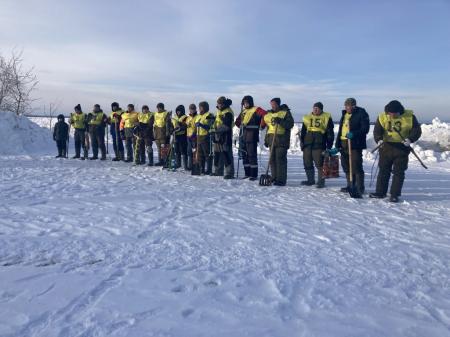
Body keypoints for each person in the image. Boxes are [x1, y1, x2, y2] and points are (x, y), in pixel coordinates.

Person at [370, 100, 422, 202]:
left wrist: (410, 139)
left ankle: (394, 194)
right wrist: (379, 139)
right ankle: (380, 192)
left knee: (398, 172)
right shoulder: (382, 116)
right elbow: (377, 131)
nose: (392, 115)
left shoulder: (410, 117)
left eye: (395, 114)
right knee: (383, 171)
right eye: (390, 114)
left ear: (399, 111)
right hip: (386, 147)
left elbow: (417, 130)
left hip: (402, 148)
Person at [335, 98, 370, 195]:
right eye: (346, 106)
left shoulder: (361, 113)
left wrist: (353, 133)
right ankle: (350, 185)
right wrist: (337, 144)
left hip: (355, 144)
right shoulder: (344, 115)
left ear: (354, 106)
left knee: (356, 166)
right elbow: (341, 130)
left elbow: (365, 129)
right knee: (346, 166)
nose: (347, 108)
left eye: (349, 106)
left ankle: (359, 187)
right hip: (343, 142)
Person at [300, 102, 334, 188]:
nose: (315, 109)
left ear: (321, 109)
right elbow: (303, 131)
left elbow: (330, 133)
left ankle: (321, 182)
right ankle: (310, 180)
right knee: (307, 162)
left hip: (319, 143)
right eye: (314, 108)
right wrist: (302, 142)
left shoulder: (326, 118)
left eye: (317, 108)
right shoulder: (307, 117)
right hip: (308, 143)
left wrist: (329, 145)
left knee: (320, 163)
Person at [261, 98, 294, 186]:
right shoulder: (270, 114)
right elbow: (269, 128)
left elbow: (290, 124)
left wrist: (280, 121)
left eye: (274, 104)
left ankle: (281, 180)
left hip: (282, 140)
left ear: (278, 104)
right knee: (272, 160)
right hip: (272, 140)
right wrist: (266, 140)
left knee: (280, 160)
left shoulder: (285, 112)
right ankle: (274, 177)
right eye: (271, 104)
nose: (272, 106)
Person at [235, 95, 266, 180]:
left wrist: (262, 124)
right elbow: (237, 122)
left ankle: (253, 175)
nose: (245, 104)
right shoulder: (243, 111)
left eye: (247, 102)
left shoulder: (257, 109)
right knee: (244, 155)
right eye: (244, 103)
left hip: (252, 136)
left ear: (251, 102)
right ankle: (247, 173)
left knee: (252, 155)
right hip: (243, 136)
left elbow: (265, 114)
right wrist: (239, 123)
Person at [212, 96, 235, 179]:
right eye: (218, 104)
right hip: (217, 134)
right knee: (217, 154)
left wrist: (217, 130)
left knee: (226, 154)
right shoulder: (219, 111)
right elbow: (217, 121)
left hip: (225, 135)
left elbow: (227, 125)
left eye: (221, 104)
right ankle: (218, 171)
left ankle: (229, 173)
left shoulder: (228, 112)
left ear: (224, 104)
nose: (219, 105)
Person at [195, 101, 215, 175]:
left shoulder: (209, 115)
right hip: (199, 136)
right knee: (200, 154)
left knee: (207, 154)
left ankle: (209, 169)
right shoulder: (198, 116)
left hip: (206, 136)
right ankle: (201, 168)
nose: (200, 108)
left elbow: (210, 126)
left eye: (201, 107)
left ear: (205, 107)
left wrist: (201, 125)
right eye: (199, 107)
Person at [172, 105, 188, 169]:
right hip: (175, 136)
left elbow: (185, 126)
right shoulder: (174, 117)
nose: (178, 112)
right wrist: (172, 129)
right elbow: (172, 125)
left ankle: (185, 165)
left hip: (182, 136)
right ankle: (178, 164)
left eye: (179, 111)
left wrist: (179, 128)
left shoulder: (185, 118)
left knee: (183, 150)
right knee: (176, 150)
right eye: (177, 111)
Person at [185, 104, 198, 170]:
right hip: (188, 136)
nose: (191, 110)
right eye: (190, 109)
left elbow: (196, 127)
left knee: (194, 151)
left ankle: (195, 165)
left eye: (193, 109)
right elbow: (187, 125)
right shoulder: (188, 117)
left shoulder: (197, 117)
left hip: (194, 137)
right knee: (189, 151)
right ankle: (190, 165)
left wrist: (194, 133)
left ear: (195, 109)